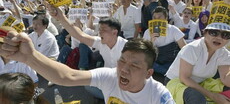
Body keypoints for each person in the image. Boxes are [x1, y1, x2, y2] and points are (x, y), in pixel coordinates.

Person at [0, 35, 176, 103]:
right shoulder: (110, 76)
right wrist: (29, 57)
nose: (124, 69)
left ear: (148, 73)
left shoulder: (159, 96)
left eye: (134, 65)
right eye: (122, 61)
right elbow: (67, 76)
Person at [165, 22, 230, 104]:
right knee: (197, 98)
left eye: (225, 35)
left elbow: (226, 80)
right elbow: (184, 78)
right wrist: (212, 96)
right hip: (178, 82)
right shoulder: (192, 48)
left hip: (201, 82)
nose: (219, 38)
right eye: (214, 33)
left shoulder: (224, 53)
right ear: (205, 33)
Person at [143, 6, 186, 75]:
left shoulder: (173, 29)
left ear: (166, 18)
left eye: (159, 17)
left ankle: (168, 72)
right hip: (156, 62)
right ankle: (168, 73)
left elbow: (184, 47)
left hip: (170, 61)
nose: (157, 20)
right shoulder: (147, 32)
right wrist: (151, 41)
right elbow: (144, 53)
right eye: (154, 17)